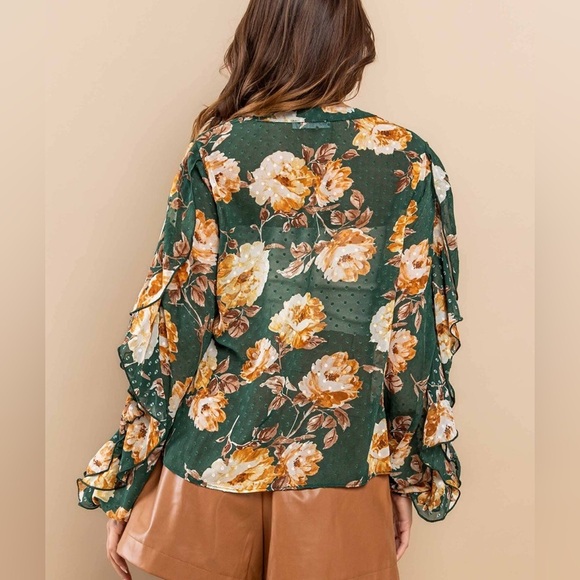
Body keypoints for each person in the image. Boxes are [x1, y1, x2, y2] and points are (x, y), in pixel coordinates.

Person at [76, 1, 464, 578]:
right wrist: (404, 475)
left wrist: (126, 475)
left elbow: (173, 331)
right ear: (351, 44)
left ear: (260, 38)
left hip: (209, 469)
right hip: (344, 466)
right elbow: (411, 342)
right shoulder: (407, 160)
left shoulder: (218, 151)